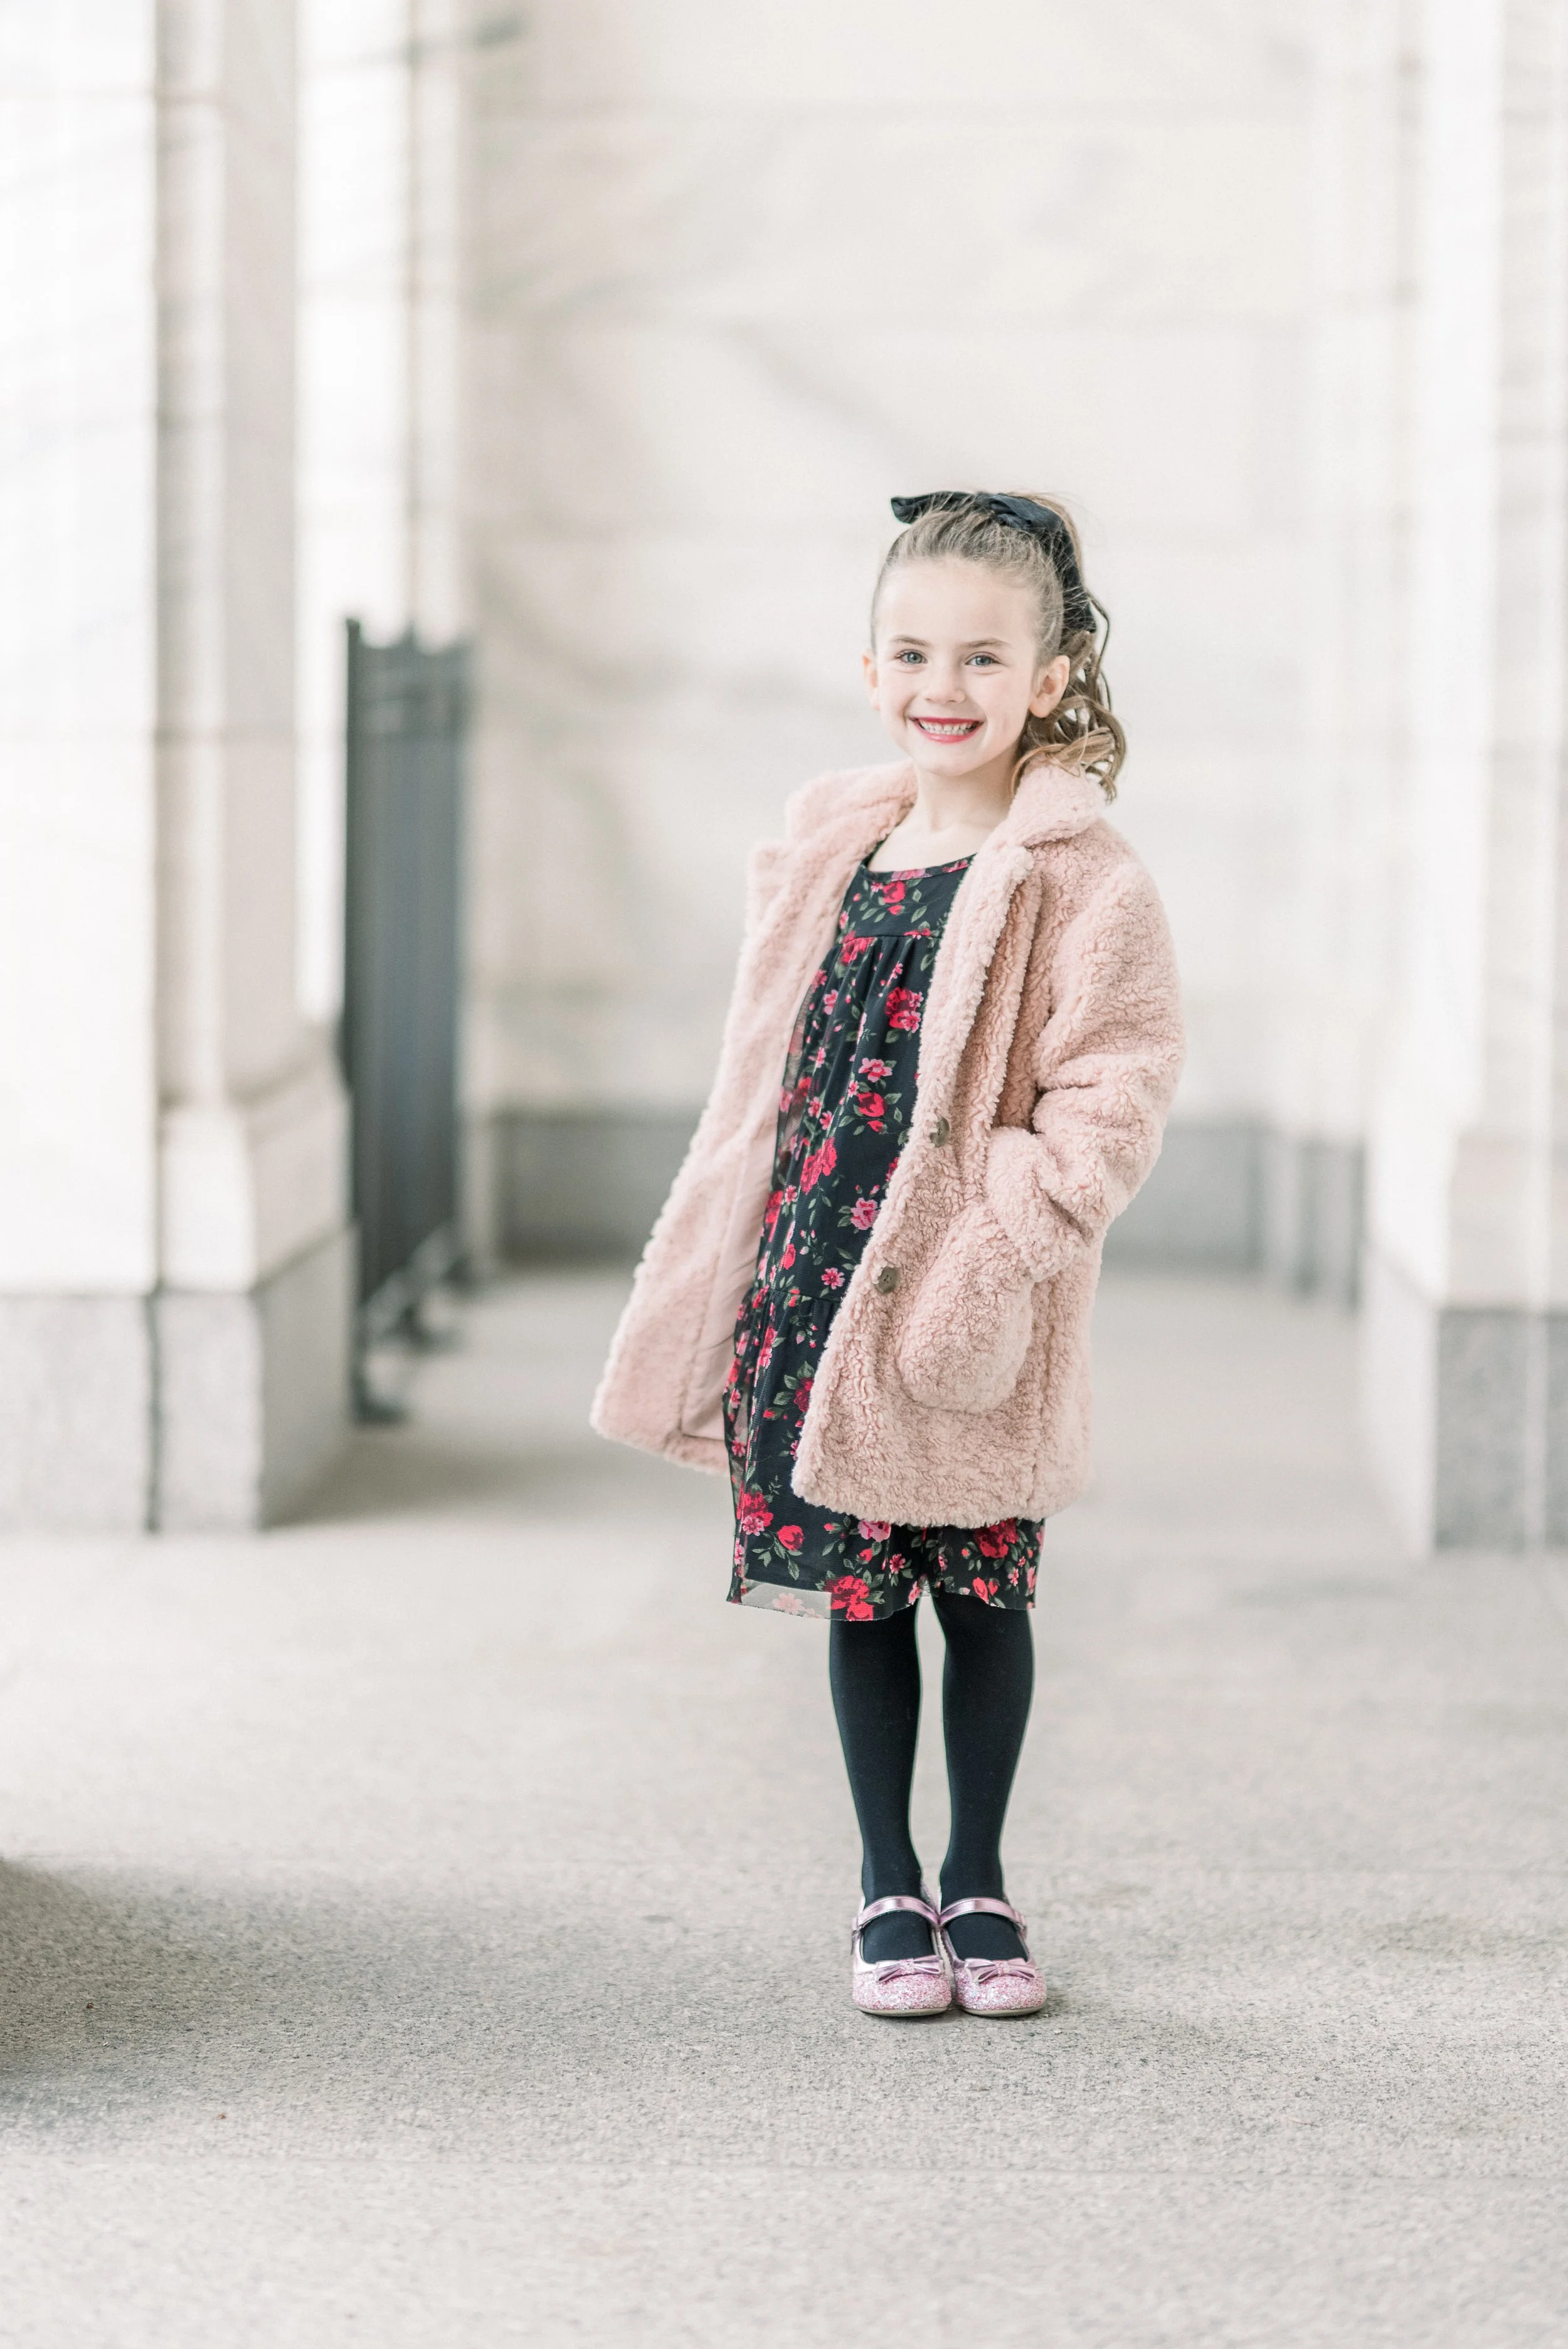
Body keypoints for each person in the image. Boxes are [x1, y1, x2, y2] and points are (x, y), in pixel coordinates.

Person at [593, 491, 1184, 2017]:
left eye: (984, 658)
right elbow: (765, 1076)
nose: (947, 686)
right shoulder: (832, 852)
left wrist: (1006, 1235)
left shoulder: (1077, 875)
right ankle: (882, 1885)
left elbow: (1112, 1090)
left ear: (1048, 678)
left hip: (963, 1292)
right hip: (818, 1280)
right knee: (862, 1598)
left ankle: (977, 1876)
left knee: (981, 1589)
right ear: (870, 671)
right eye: (915, 652)